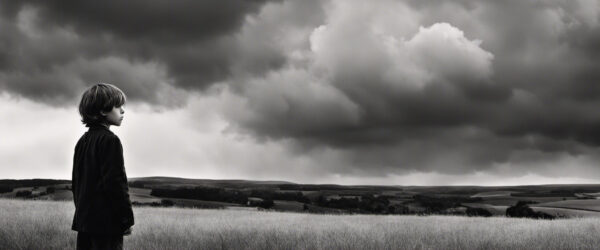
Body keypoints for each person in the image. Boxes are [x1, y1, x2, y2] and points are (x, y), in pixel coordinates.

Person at [72, 83, 134, 250]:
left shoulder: (82, 142)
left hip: (85, 222)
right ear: (103, 110)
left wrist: (82, 213)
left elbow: (76, 184)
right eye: (118, 106)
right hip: (107, 226)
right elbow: (116, 184)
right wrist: (126, 220)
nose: (122, 111)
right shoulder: (110, 140)